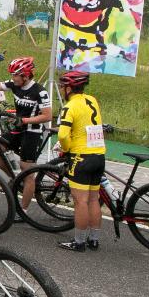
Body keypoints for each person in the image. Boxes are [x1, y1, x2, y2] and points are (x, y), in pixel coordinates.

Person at [0, 57, 52, 213]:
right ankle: (15, 180)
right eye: (13, 75)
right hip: (19, 127)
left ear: (26, 75)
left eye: (16, 75)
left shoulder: (40, 92)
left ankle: (23, 210)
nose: (13, 78)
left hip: (32, 131)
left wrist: (24, 120)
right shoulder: (15, 85)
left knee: (27, 171)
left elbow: (47, 116)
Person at [54, 70, 107, 251]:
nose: (61, 90)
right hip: (99, 155)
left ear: (70, 88)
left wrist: (66, 148)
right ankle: (94, 239)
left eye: (62, 87)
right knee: (94, 199)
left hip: (80, 157)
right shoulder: (92, 100)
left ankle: (79, 242)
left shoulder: (70, 106)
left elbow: (62, 134)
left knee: (80, 201)